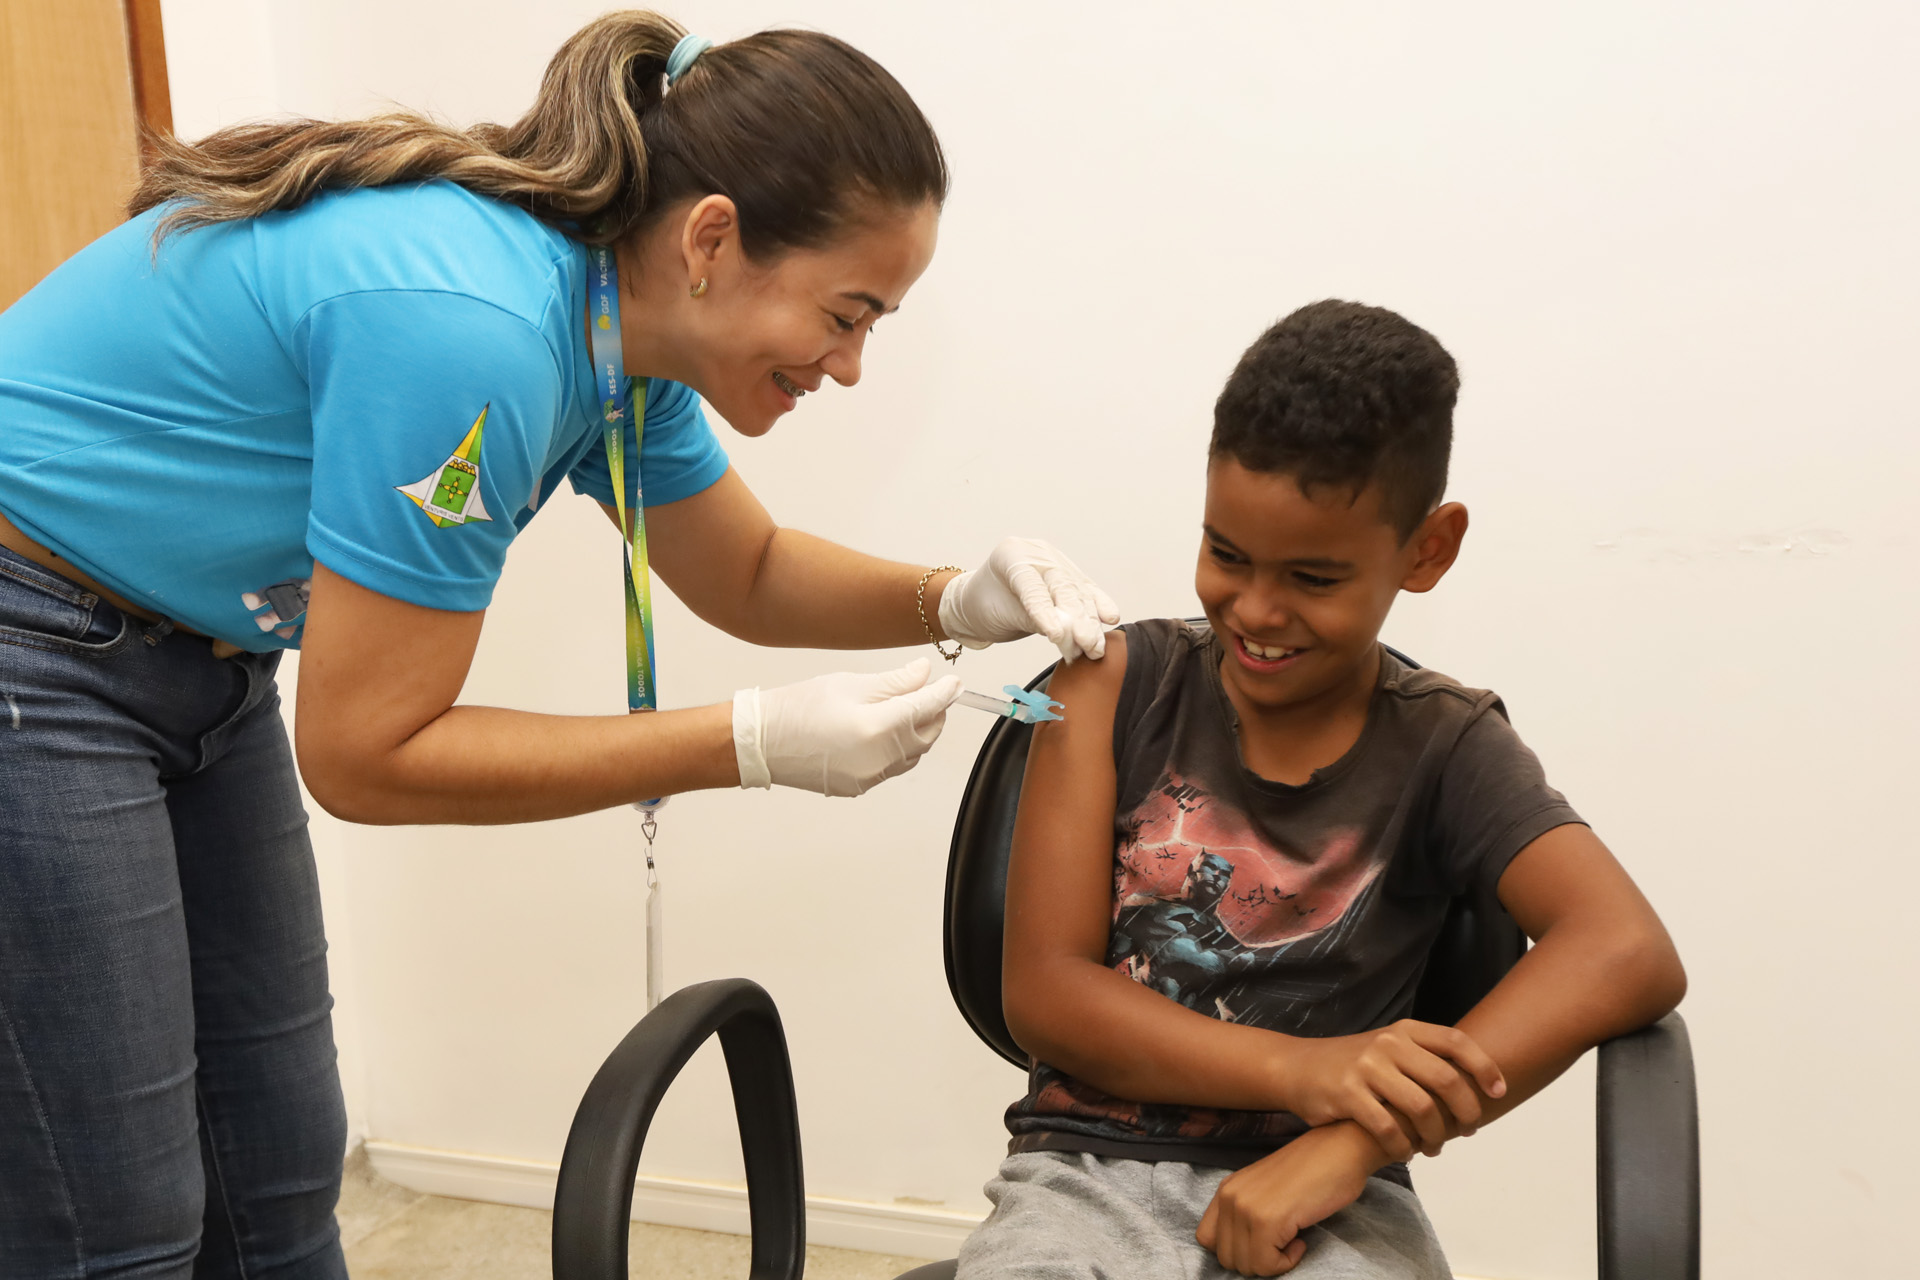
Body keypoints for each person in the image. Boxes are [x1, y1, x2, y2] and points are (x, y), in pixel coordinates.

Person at [0, 11, 1118, 1277]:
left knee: (275, 1171)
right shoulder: (471, 327)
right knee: (115, 1223)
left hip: (192, 660)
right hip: (33, 652)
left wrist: (959, 596)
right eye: (847, 313)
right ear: (712, 240)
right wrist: (750, 742)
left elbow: (741, 569)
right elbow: (367, 755)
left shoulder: (611, 331)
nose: (852, 366)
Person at [960, 301, 1686, 1278]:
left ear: (1427, 548)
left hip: (1335, 1194)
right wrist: (1308, 1069)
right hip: (1084, 1175)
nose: (1256, 609)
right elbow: (1045, 992)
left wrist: (1348, 1143)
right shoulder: (1103, 685)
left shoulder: (1451, 742)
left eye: (1312, 574)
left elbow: (1626, 946)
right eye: (1226, 552)